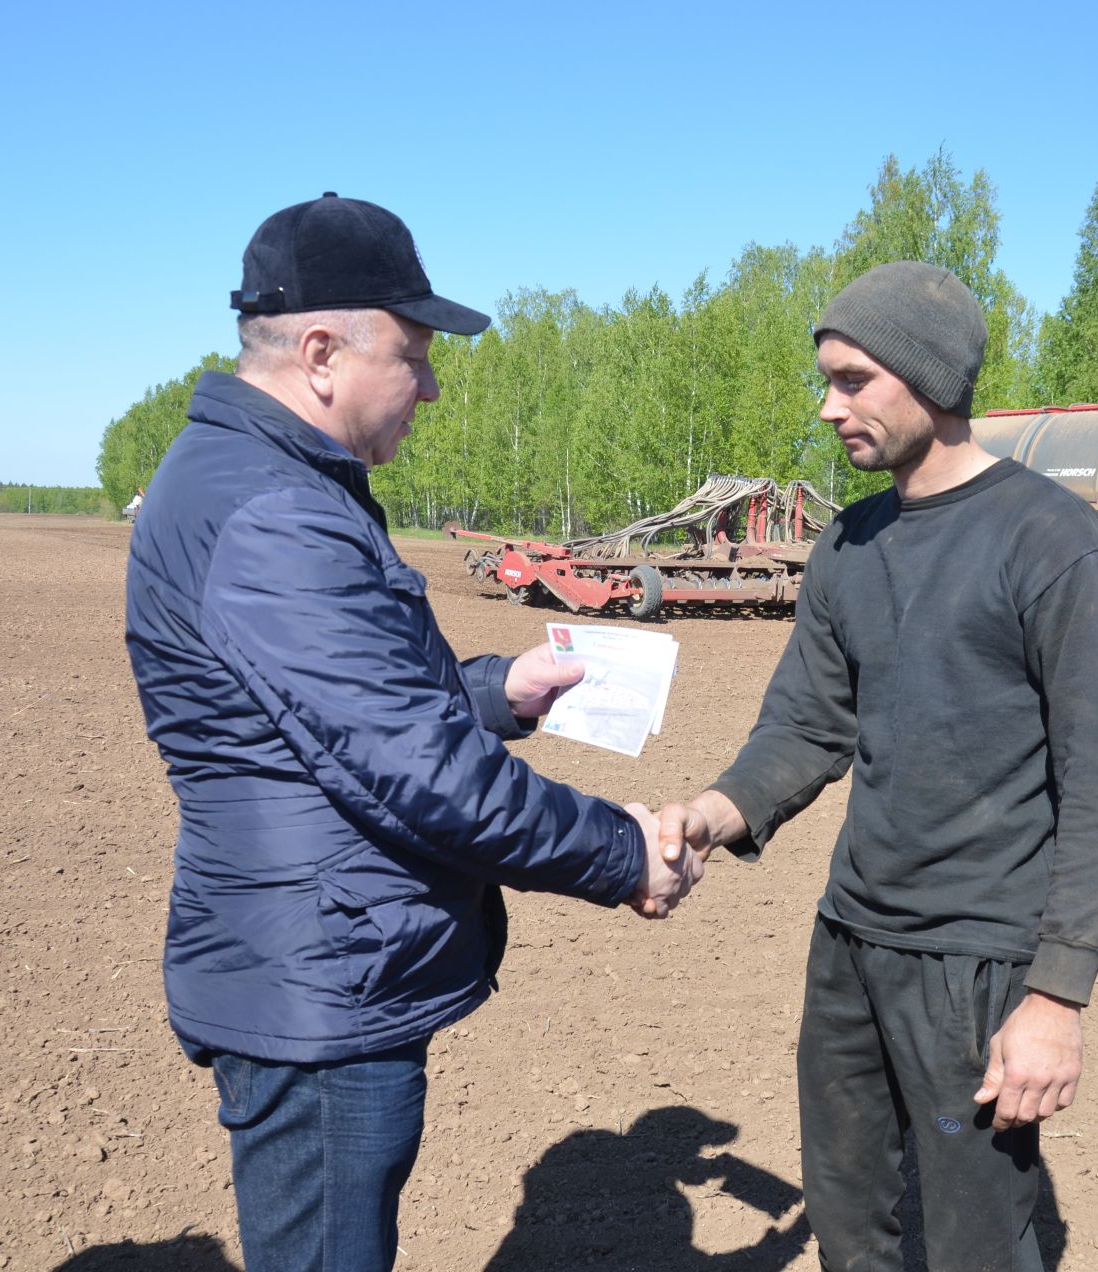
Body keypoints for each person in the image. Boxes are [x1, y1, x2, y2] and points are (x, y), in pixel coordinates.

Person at [123, 193, 702, 1272]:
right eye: (416, 354)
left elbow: (333, 707)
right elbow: (416, 770)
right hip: (324, 985)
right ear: (323, 350)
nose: (431, 386)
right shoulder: (276, 513)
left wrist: (498, 692)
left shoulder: (267, 485)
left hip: (315, 957)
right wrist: (622, 854)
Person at [657, 261, 1098, 1270]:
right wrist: (712, 813)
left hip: (977, 959)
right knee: (850, 1225)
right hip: (851, 942)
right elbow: (808, 723)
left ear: (929, 376)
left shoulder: (1050, 542)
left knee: (975, 1244)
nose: (829, 407)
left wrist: (1055, 1001)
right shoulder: (852, 541)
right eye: (828, 381)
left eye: (853, 380)